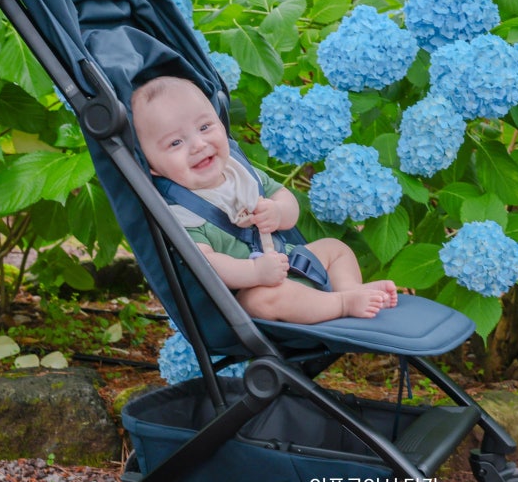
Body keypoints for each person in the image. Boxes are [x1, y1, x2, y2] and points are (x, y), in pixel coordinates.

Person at [131, 76, 398, 324]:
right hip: (252, 288)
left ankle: (350, 288)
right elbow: (206, 263)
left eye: (204, 127)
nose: (198, 145)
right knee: (262, 300)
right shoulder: (180, 212)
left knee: (335, 248)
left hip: (289, 261)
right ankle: (341, 303)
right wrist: (255, 272)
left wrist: (278, 212)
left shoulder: (241, 173)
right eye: (175, 143)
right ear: (152, 166)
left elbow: (285, 201)